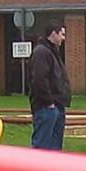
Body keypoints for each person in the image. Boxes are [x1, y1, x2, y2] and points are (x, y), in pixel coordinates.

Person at [29, 22, 70, 150]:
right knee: (43, 147)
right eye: (62, 34)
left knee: (55, 148)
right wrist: (49, 102)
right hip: (47, 108)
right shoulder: (41, 52)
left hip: (57, 105)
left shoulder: (53, 52)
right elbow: (39, 79)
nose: (64, 38)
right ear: (53, 33)